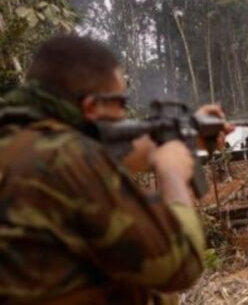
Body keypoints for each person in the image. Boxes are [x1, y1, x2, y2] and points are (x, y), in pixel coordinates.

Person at [0, 35, 228, 304]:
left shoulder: (21, 143)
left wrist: (176, 134)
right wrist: (173, 174)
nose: (124, 115)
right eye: (121, 102)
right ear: (92, 106)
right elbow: (181, 265)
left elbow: (101, 163)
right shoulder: (68, 156)